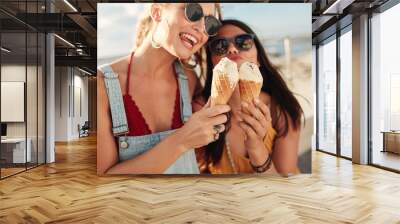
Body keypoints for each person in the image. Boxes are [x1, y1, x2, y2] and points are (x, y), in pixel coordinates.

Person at [97, 3, 229, 174]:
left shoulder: (189, 81)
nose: (201, 28)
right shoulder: (102, 86)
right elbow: (103, 181)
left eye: (210, 22)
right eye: (193, 12)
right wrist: (182, 140)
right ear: (157, 12)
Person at [194, 19, 303, 175]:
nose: (232, 49)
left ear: (258, 58)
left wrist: (256, 146)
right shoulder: (201, 108)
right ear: (213, 63)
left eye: (243, 42)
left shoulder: (282, 109)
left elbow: (284, 186)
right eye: (220, 46)